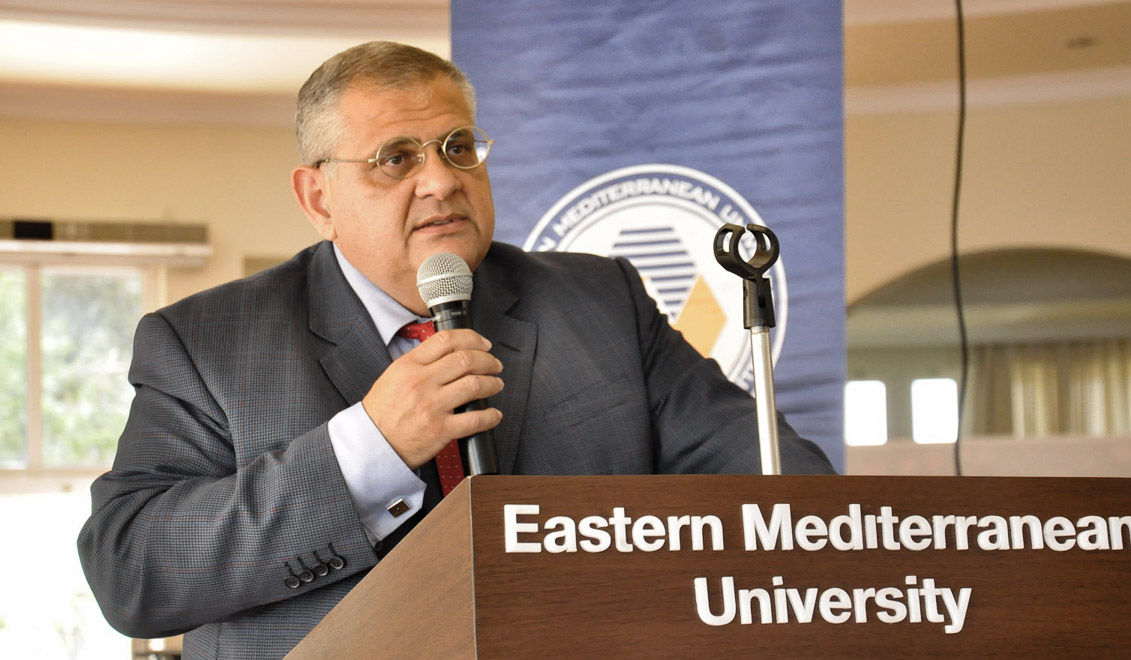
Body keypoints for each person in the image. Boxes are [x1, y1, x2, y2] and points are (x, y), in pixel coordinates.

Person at [77, 41, 834, 658]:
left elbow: (784, 484)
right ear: (318, 198)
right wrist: (369, 449)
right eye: (396, 158)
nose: (441, 180)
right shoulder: (204, 342)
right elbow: (130, 569)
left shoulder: (600, 301)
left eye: (458, 147)